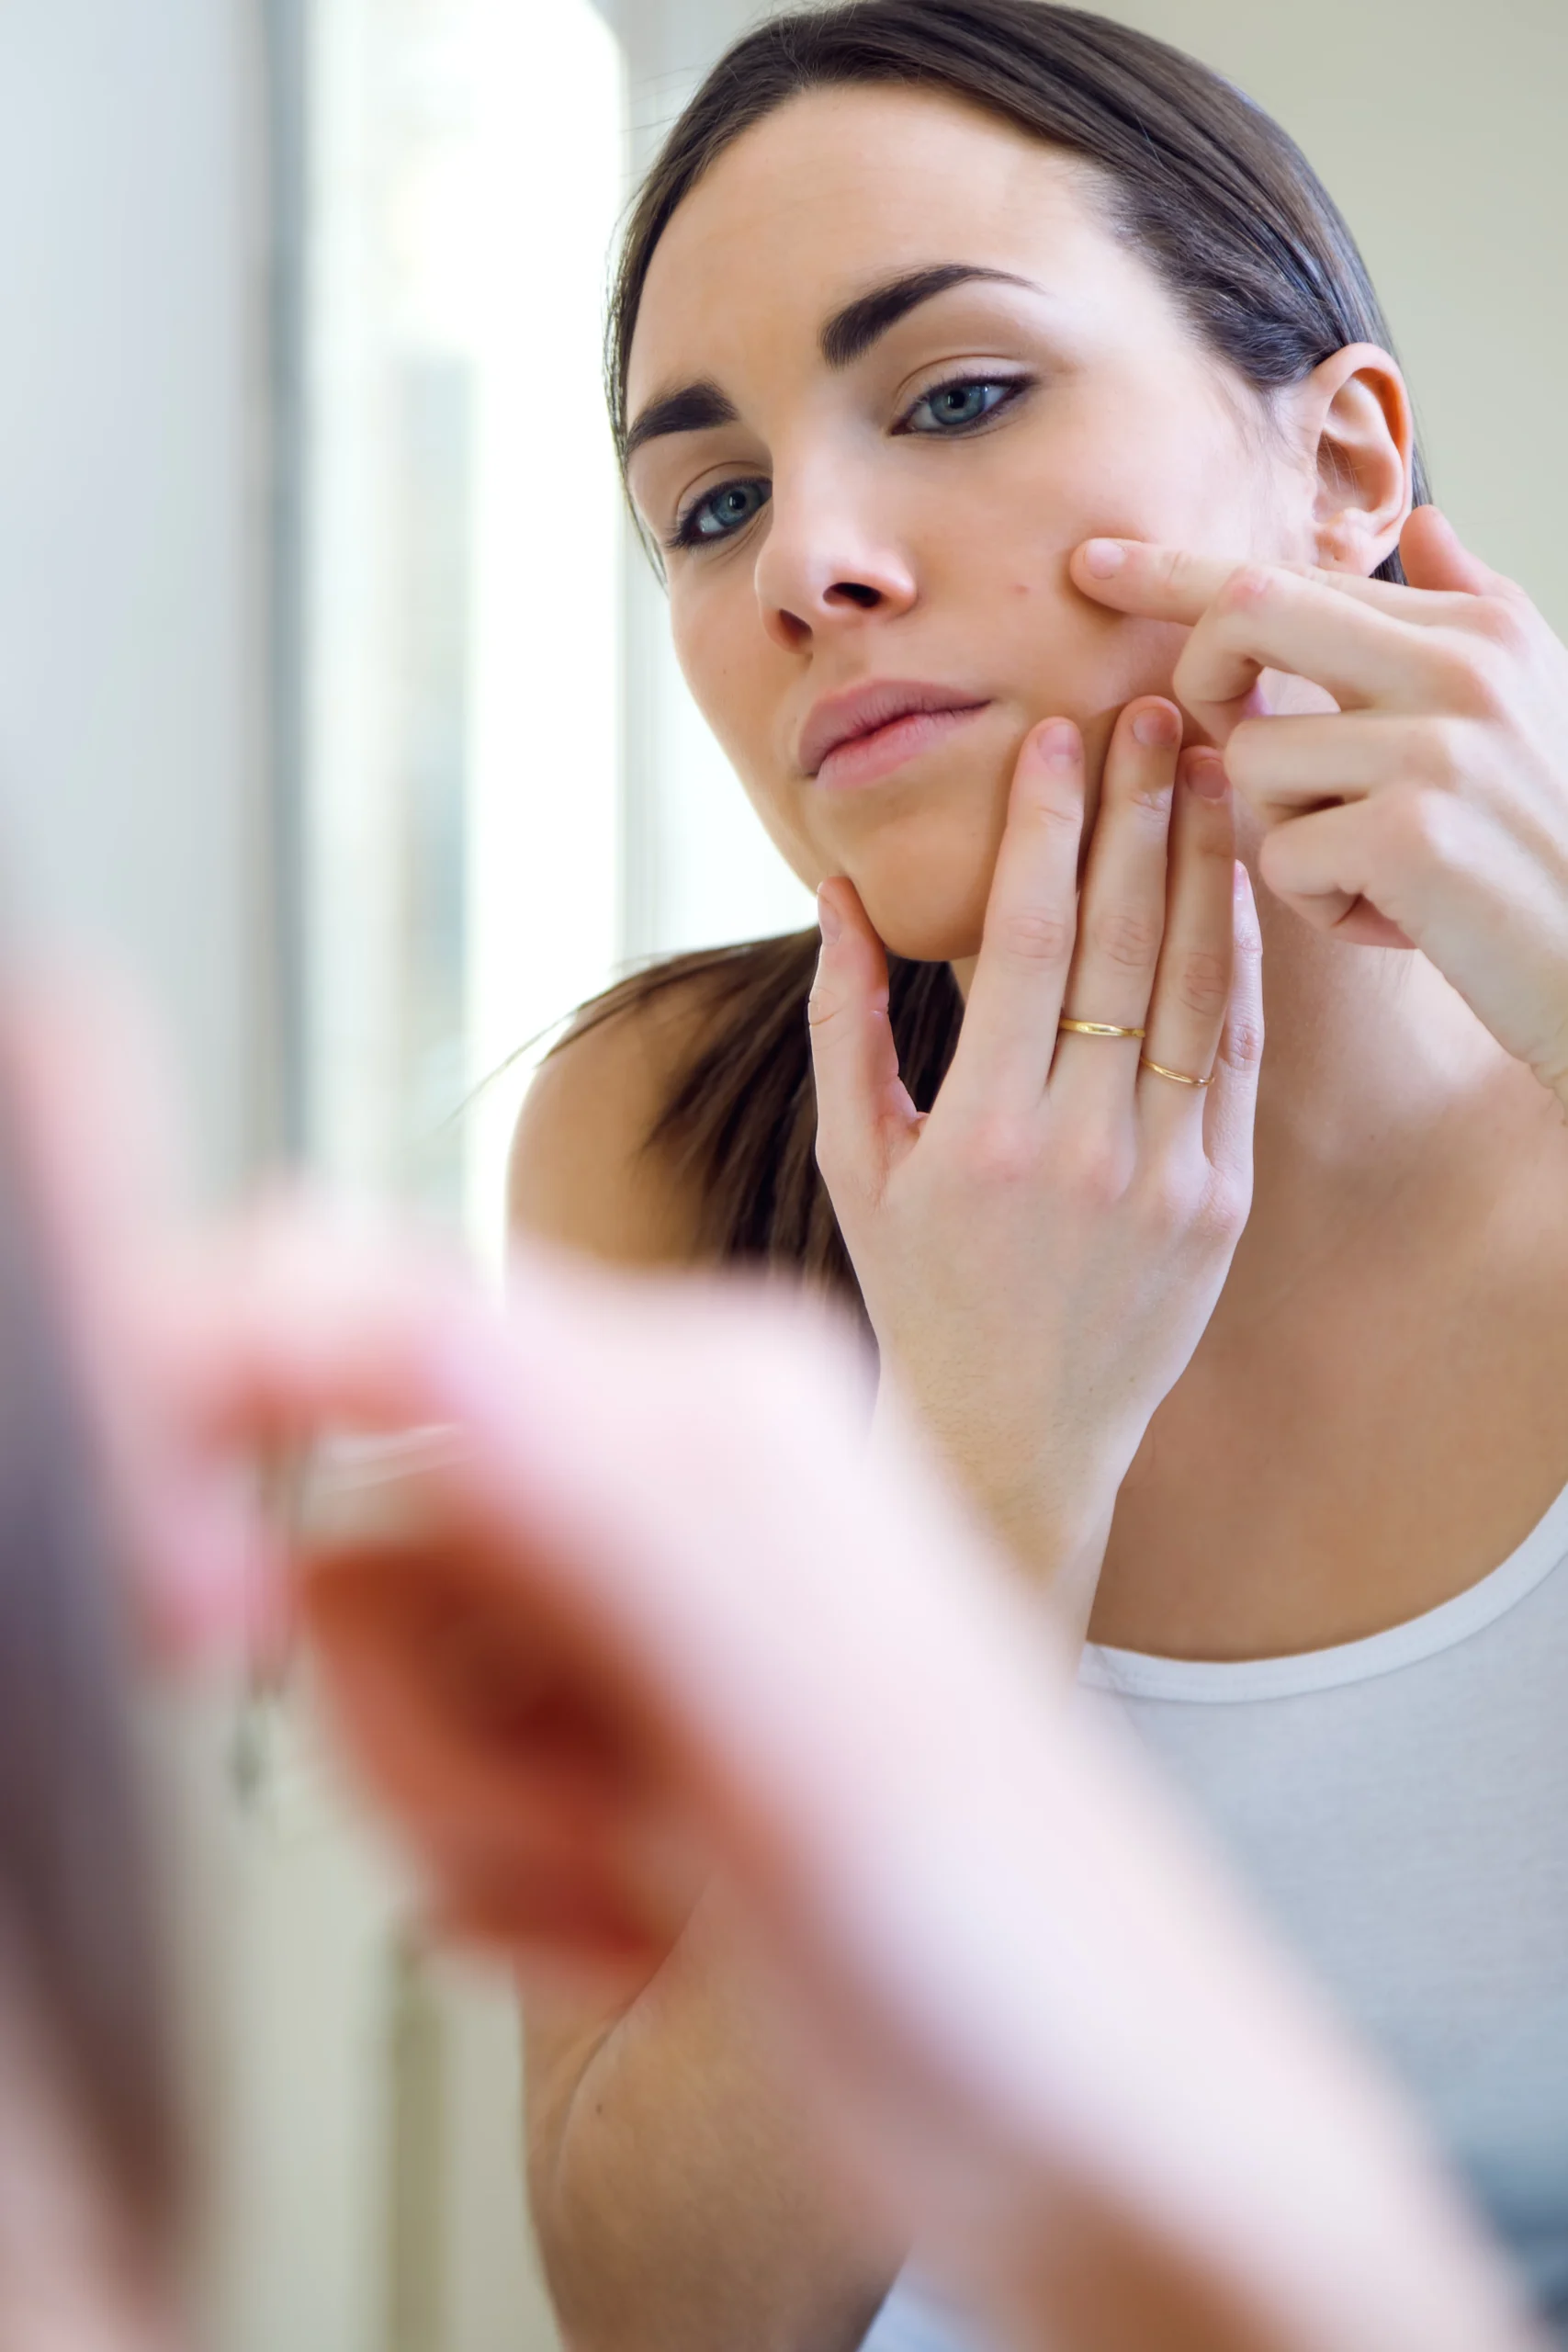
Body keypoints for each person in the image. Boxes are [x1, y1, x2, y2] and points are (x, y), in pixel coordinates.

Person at [502, 2, 1568, 2345]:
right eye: (709, 503)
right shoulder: (666, 1143)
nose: (813, 563)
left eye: (957, 394)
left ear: (1340, 463)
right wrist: (986, 1461)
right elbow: (667, 2306)